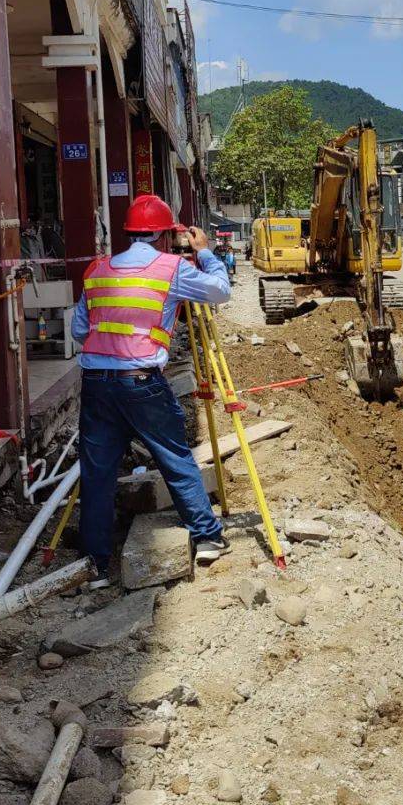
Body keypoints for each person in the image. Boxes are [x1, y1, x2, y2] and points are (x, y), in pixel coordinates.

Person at [71, 193, 231, 588]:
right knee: (175, 458)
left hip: (96, 384)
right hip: (141, 381)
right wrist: (204, 252)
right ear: (163, 235)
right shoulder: (172, 268)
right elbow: (220, 291)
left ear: (129, 232)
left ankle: (95, 565)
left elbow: (79, 330)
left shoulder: (98, 270)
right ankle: (207, 536)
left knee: (97, 473)